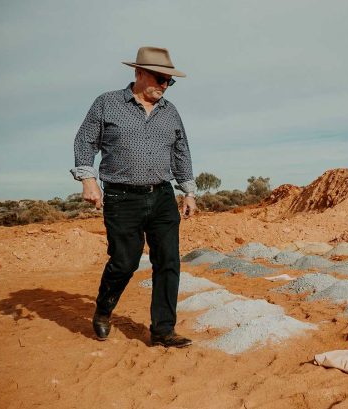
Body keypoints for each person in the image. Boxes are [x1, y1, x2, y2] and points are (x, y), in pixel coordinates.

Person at [70, 46, 197, 348]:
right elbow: (85, 140)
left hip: (162, 196)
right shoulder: (108, 103)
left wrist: (189, 191)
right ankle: (103, 310)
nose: (165, 85)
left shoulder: (171, 112)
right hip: (121, 197)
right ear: (138, 73)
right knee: (125, 262)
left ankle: (163, 330)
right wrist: (88, 179)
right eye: (160, 78)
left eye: (170, 81)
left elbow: (181, 153)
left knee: (168, 262)